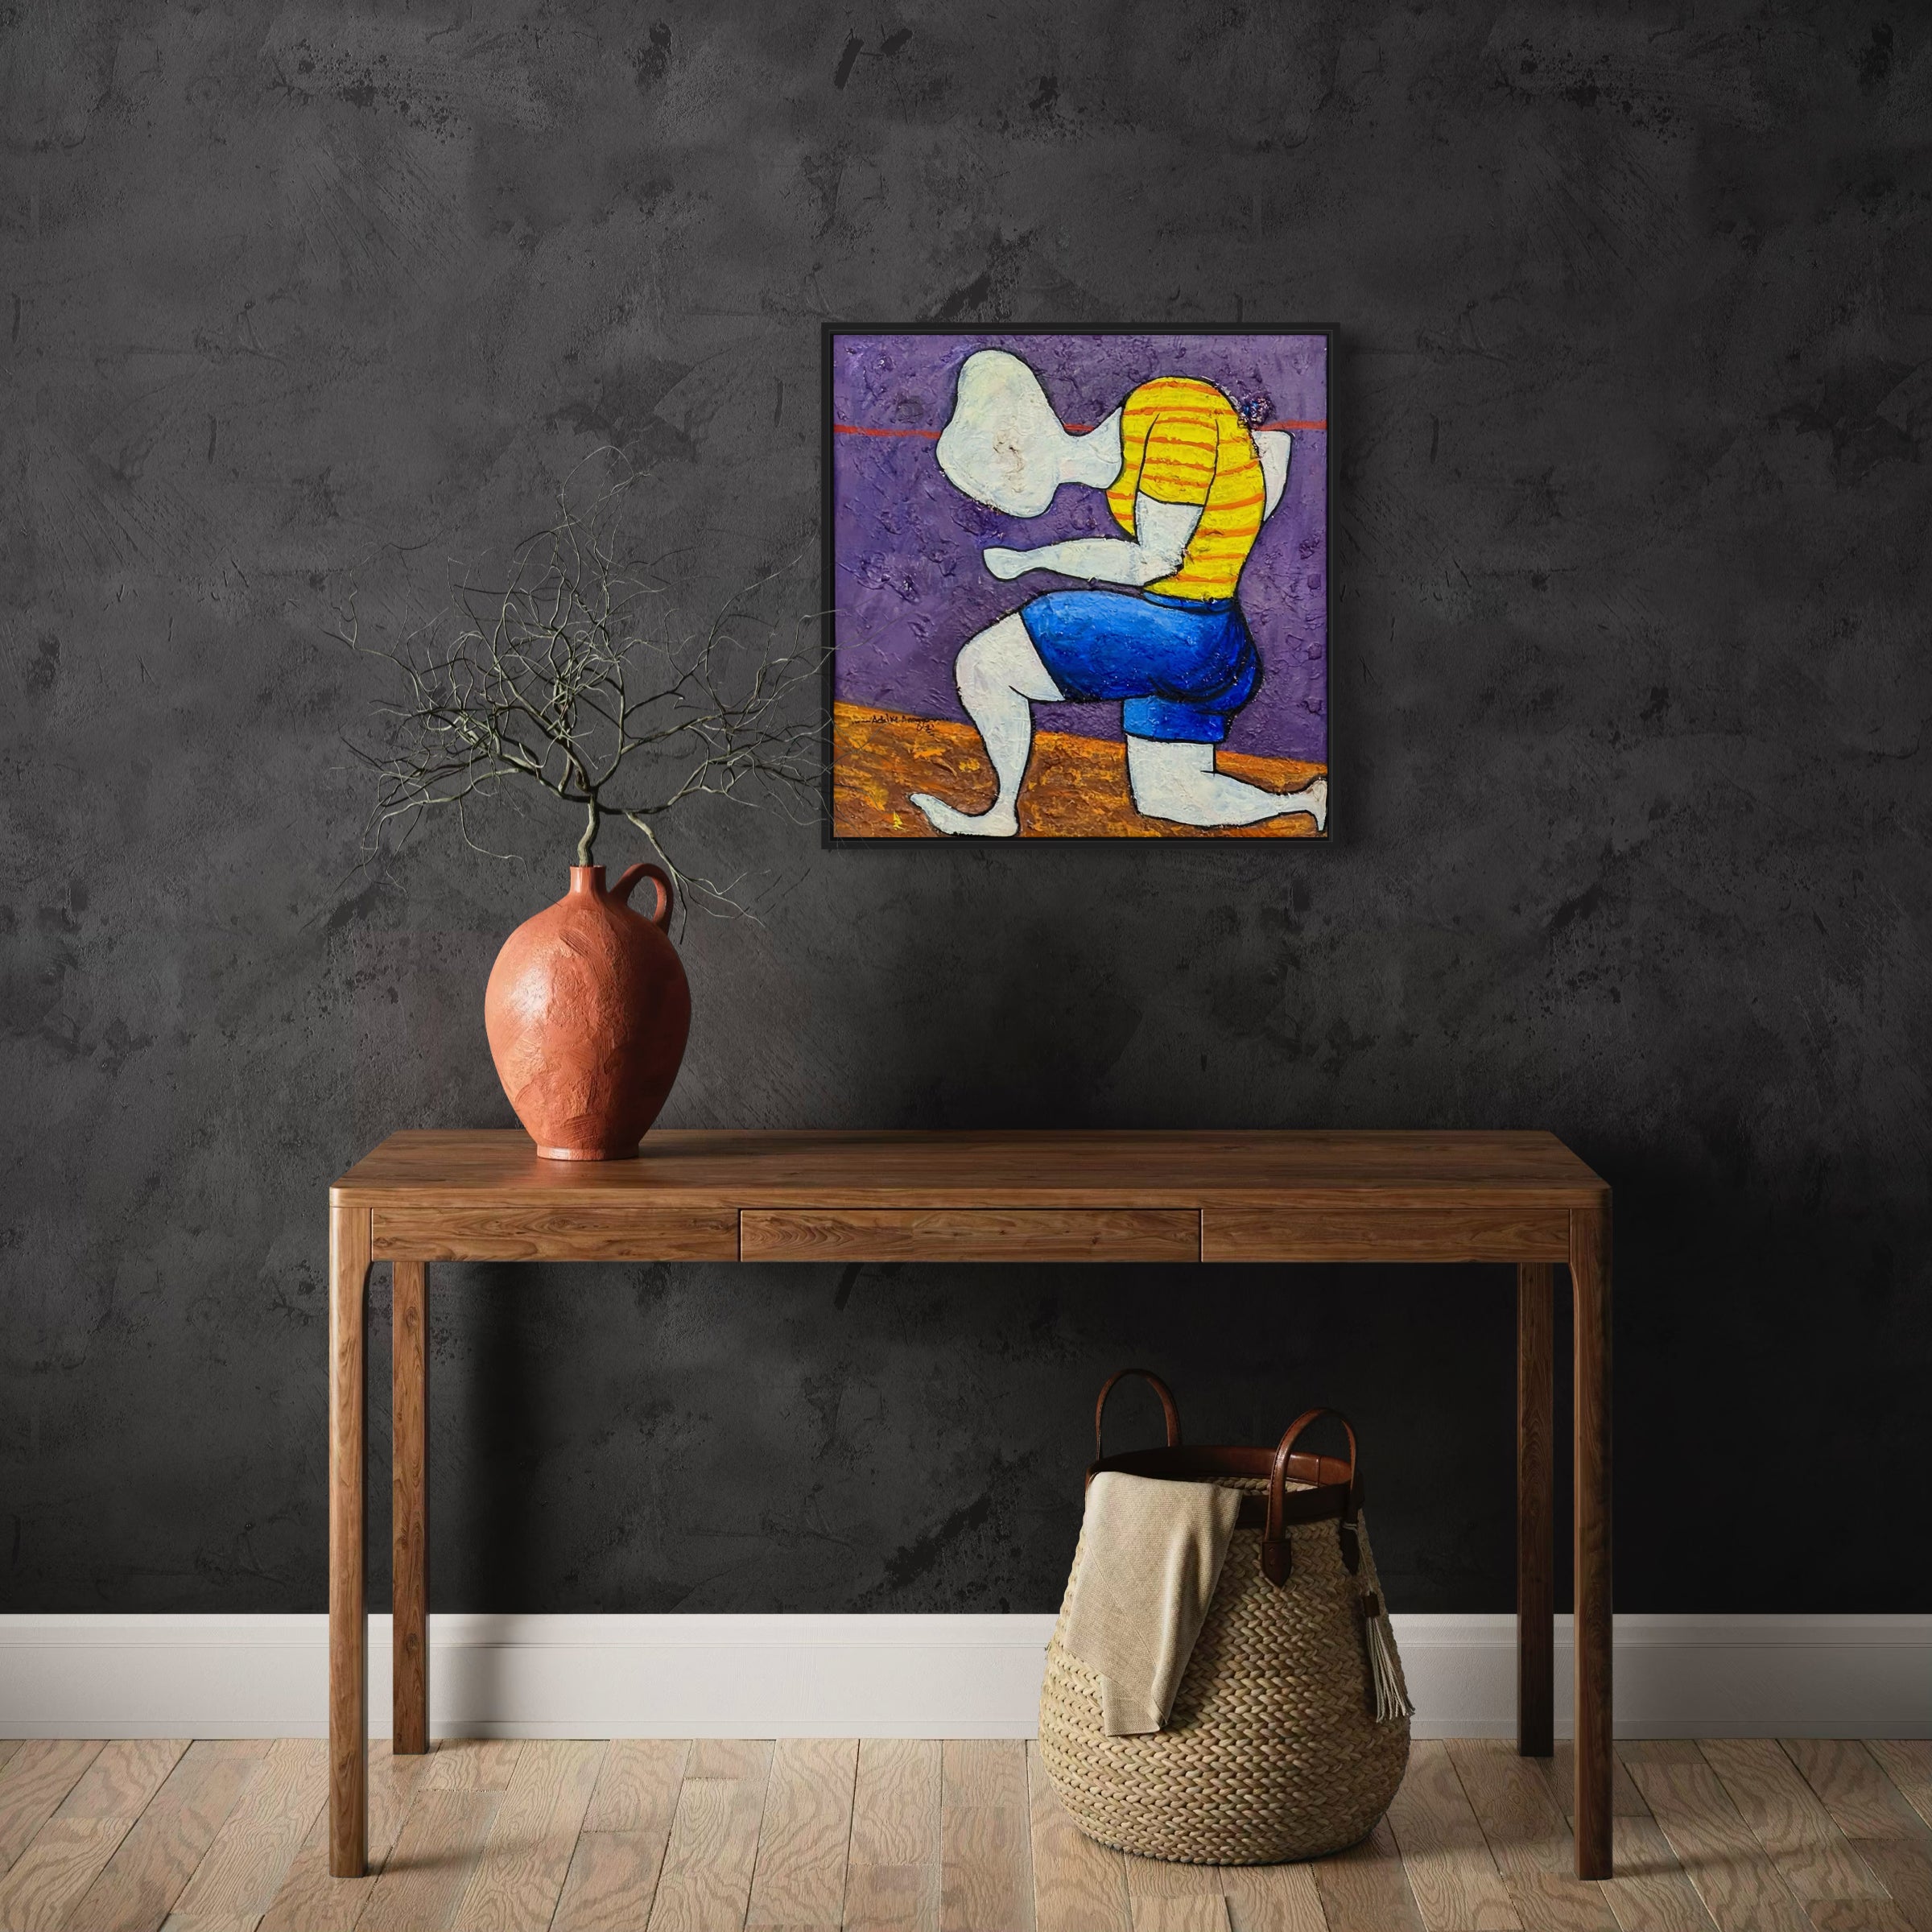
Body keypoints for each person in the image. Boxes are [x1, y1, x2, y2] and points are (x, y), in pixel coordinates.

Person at [910, 348, 1327, 837]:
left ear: (1012, 448)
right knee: (1171, 796)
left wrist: (1037, 559)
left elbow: (1156, 561)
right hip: (1215, 644)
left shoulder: (1171, 412)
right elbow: (1270, 458)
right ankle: (1308, 803)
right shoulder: (1129, 445)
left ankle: (1003, 813)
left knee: (983, 665)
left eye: (998, 475)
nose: (1002, 494)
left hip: (1184, 635)